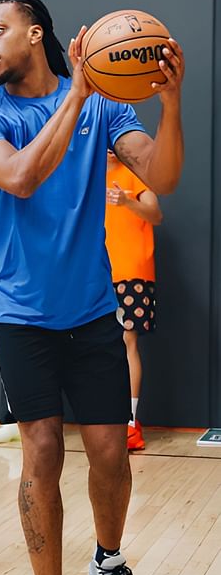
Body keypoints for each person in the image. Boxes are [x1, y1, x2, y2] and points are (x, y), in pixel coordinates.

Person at [0, 0, 184, 575]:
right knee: (44, 451)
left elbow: (162, 175)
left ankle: (110, 563)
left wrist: (171, 103)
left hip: (90, 310)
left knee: (112, 453)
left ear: (37, 32)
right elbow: (22, 178)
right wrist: (77, 93)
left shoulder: (110, 107)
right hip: (20, 313)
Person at [106, 150, 163, 450]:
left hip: (131, 271)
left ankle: (130, 422)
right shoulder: (87, 174)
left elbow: (156, 214)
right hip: (95, 272)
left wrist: (128, 202)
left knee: (127, 341)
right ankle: (107, 421)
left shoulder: (138, 173)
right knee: (96, 346)